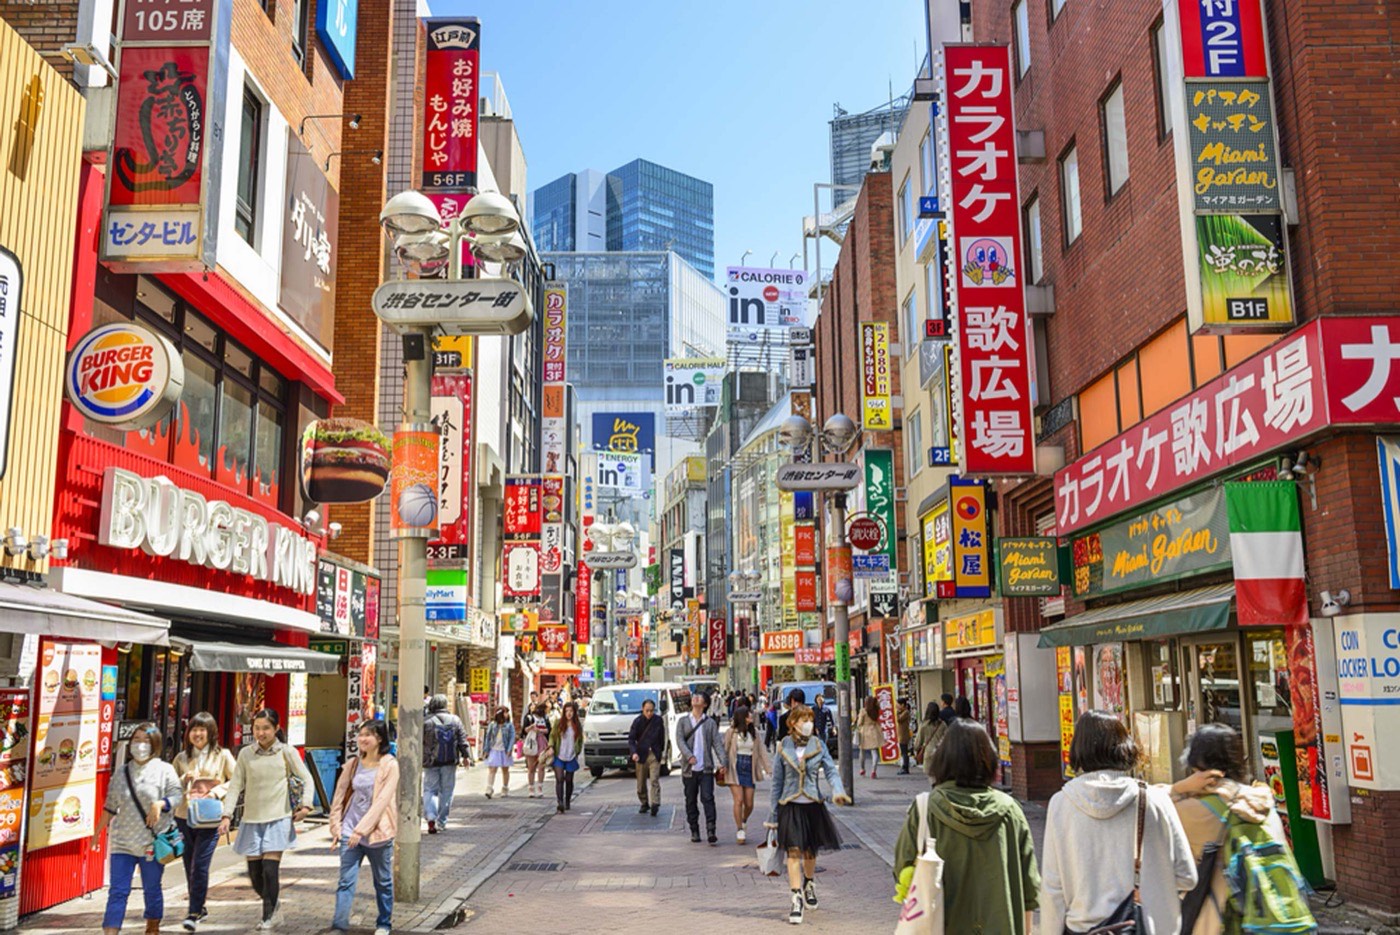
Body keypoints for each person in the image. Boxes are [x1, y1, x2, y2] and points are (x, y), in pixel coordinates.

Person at [1039, 711, 1196, 935]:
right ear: (1125, 747)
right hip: (1147, 928)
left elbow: (1053, 889)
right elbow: (1187, 877)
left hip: (1084, 929)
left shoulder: (1061, 804)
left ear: (1078, 749)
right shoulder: (1155, 800)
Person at [893, 719, 1040, 934]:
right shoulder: (1010, 811)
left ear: (943, 760)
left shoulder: (925, 809)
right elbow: (1029, 891)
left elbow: (903, 873)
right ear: (988, 759)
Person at [1171, 724, 1293, 935]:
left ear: (1196, 762)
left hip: (1219, 921)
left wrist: (1178, 788)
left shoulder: (1194, 810)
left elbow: (1148, 809)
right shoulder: (1260, 801)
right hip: (1272, 916)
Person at [217, 708, 314, 930]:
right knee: (255, 875)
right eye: (257, 728)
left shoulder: (286, 752)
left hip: (278, 817)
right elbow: (235, 786)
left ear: (276, 729)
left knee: (270, 870)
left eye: (266, 728)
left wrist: (306, 806)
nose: (261, 733)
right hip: (251, 819)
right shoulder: (245, 754)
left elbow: (306, 778)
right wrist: (226, 815)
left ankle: (269, 915)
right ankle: (274, 904)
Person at [92, 723, 183, 935]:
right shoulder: (122, 773)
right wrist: (97, 833)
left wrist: (160, 804)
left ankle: (152, 927)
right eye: (136, 740)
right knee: (117, 891)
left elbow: (177, 796)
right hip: (122, 842)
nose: (140, 745)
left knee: (151, 889)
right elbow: (110, 806)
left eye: (145, 740)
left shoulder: (165, 770)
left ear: (155, 744)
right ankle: (110, 931)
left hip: (151, 843)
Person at [764, 703, 850, 925]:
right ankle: (795, 897)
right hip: (790, 805)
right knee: (793, 853)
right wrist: (773, 817)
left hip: (813, 804)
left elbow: (831, 771)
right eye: (803, 720)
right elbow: (776, 784)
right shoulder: (783, 747)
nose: (808, 724)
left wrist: (838, 792)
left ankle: (809, 883)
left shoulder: (819, 745)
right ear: (792, 723)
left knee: (810, 852)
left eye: (810, 719)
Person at [329, 721, 398, 935]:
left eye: (367, 735)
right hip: (350, 831)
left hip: (378, 833)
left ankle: (384, 923)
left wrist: (362, 830)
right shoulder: (353, 764)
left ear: (379, 738)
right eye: (360, 735)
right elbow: (339, 796)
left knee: (383, 882)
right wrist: (336, 827)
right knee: (345, 881)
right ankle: (339, 926)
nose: (362, 739)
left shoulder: (390, 765)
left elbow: (382, 801)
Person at [171, 712, 236, 932]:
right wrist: (184, 779)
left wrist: (216, 792)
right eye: (194, 729)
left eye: (202, 729)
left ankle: (194, 911)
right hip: (184, 816)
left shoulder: (223, 755)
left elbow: (236, 781)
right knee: (189, 864)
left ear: (211, 732)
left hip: (209, 818)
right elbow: (170, 788)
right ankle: (199, 905)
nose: (197, 734)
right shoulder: (181, 758)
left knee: (200, 865)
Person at [677, 690, 722, 844]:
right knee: (690, 800)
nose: (695, 698)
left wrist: (723, 762)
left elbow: (717, 744)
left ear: (705, 704)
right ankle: (694, 829)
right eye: (694, 697)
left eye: (699, 697)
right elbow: (680, 741)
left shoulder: (709, 723)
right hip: (689, 770)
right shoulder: (683, 721)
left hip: (706, 768)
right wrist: (689, 755)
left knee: (708, 798)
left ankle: (711, 829)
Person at [722, 705, 770, 844]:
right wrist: (723, 765)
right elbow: (724, 750)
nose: (751, 717)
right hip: (734, 767)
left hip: (749, 767)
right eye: (748, 715)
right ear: (742, 717)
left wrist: (768, 768)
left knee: (749, 803)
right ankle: (739, 830)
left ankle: (743, 820)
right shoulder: (731, 732)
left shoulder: (753, 732)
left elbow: (761, 751)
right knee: (739, 800)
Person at [423, 694, 469, 830]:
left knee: (430, 790)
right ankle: (441, 821)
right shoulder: (455, 720)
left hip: (430, 761)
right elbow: (462, 740)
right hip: (449, 760)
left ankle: (431, 816)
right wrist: (466, 756)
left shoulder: (425, 721)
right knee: (447, 791)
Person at [628, 697, 666, 816]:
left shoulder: (658, 720)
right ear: (642, 709)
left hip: (654, 753)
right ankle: (644, 802)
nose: (649, 713)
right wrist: (634, 752)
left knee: (654, 779)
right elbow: (631, 739)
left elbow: (662, 737)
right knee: (641, 782)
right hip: (641, 755)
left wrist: (660, 751)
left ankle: (655, 802)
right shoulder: (638, 721)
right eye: (647, 710)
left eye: (651, 711)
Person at [550, 701, 585, 813]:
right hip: (559, 755)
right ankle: (560, 802)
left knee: (569, 780)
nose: (569, 713)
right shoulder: (558, 723)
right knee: (559, 779)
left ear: (574, 712)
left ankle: (567, 801)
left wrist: (577, 751)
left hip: (571, 756)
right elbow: (552, 736)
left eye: (571, 711)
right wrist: (550, 747)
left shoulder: (577, 725)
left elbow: (580, 740)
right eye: (566, 711)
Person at [481, 706, 515, 800]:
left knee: (505, 770)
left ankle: (505, 788)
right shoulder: (492, 725)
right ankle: (489, 788)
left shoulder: (509, 725)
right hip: (494, 749)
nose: (507, 714)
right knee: (492, 769)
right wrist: (486, 750)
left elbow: (512, 738)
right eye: (505, 712)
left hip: (504, 750)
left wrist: (509, 749)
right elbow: (488, 738)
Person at [521, 703, 553, 798]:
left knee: (541, 766)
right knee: (531, 767)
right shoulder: (529, 718)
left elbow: (549, 730)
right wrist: (532, 727)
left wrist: (542, 730)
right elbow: (524, 730)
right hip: (531, 742)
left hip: (542, 742)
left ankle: (540, 788)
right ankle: (531, 788)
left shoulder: (546, 718)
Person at [913, 700, 948, 778]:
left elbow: (917, 743)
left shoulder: (924, 725)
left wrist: (916, 749)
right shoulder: (943, 724)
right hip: (941, 753)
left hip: (929, 753)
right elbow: (947, 738)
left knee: (931, 777)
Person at [856, 697, 882, 778]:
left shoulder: (863, 711)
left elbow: (859, 723)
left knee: (862, 751)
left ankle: (862, 769)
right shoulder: (876, 710)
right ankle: (873, 771)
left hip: (864, 732)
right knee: (874, 752)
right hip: (874, 731)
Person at [896, 698, 913, 775]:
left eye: (898, 704)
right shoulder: (903, 712)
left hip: (904, 735)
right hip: (901, 735)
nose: (896, 706)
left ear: (903, 705)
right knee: (903, 752)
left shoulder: (906, 712)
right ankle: (904, 767)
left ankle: (905, 767)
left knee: (904, 752)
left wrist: (897, 712)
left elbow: (898, 719)